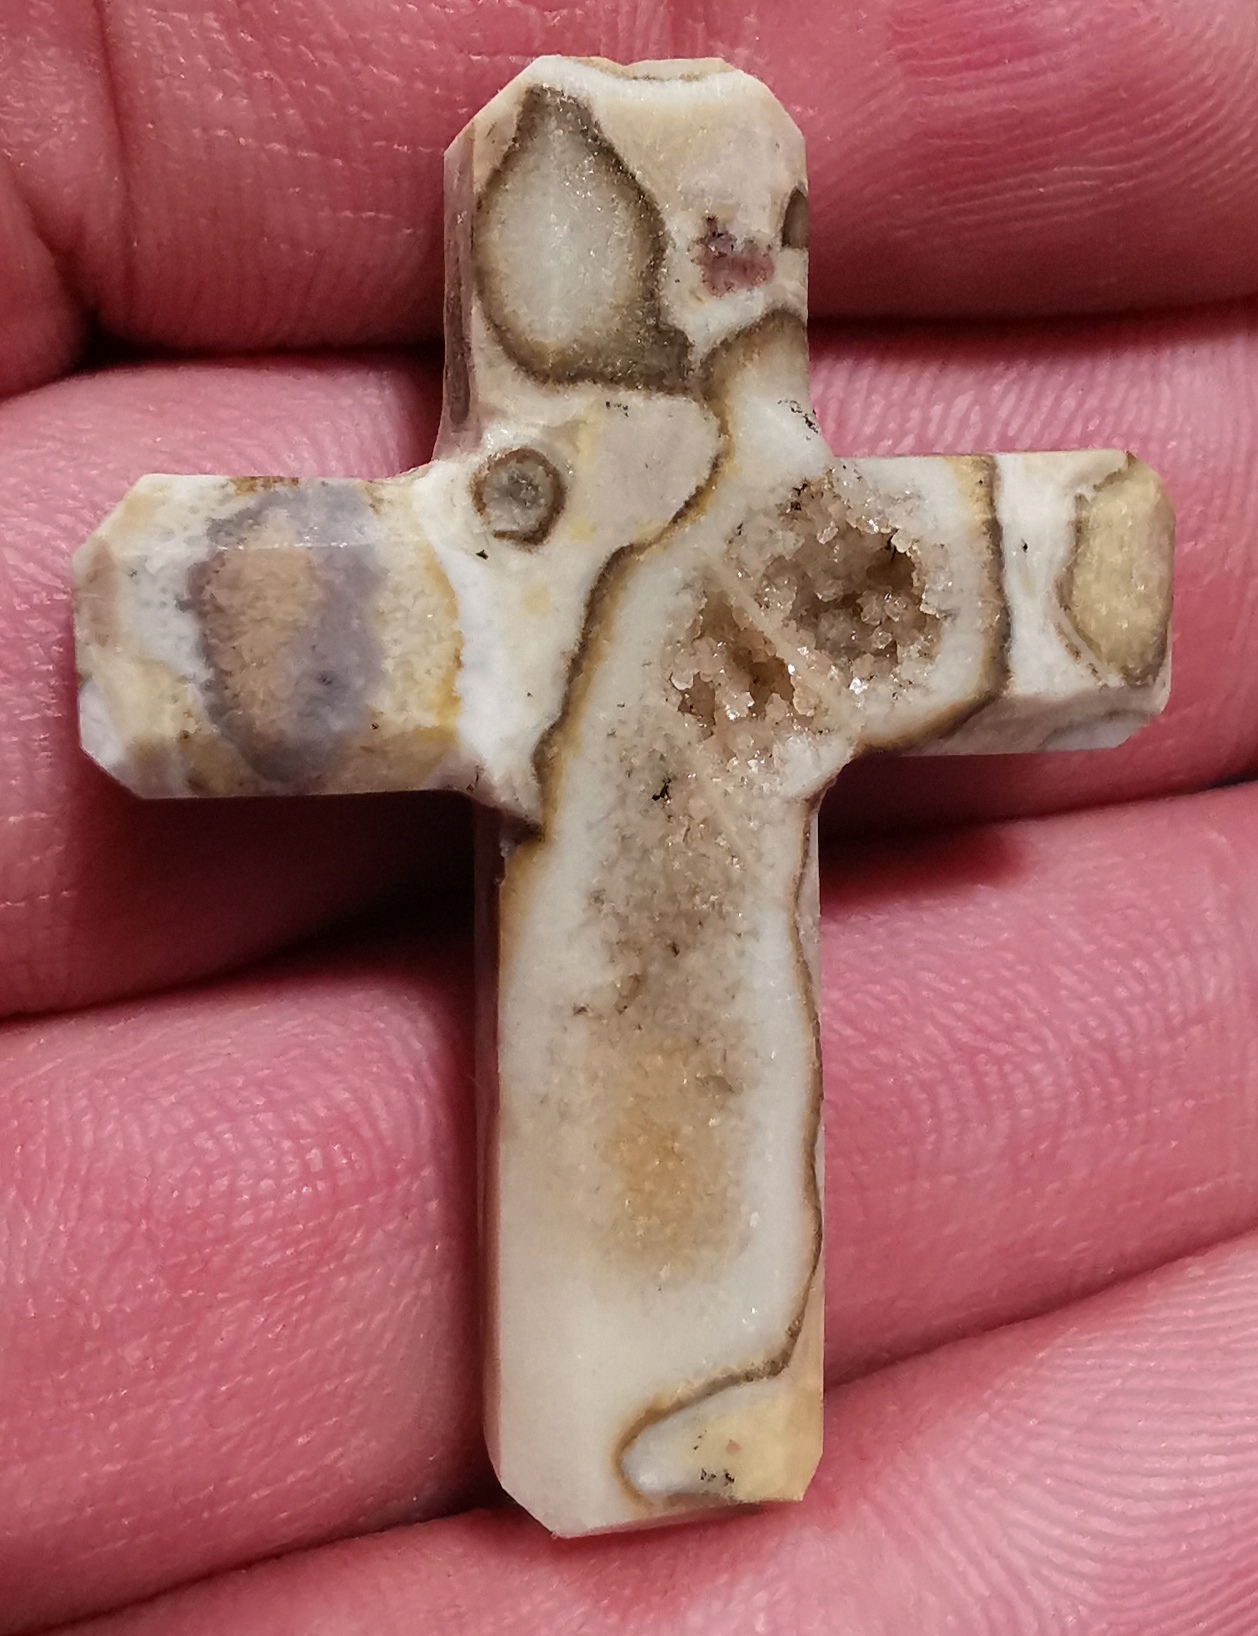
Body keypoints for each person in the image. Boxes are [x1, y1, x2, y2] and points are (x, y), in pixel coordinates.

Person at [2, 3, 1257, 1631]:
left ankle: (689, 1410)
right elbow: (186, 618)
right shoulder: (505, 562)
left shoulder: (800, 534)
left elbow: (1084, 581)